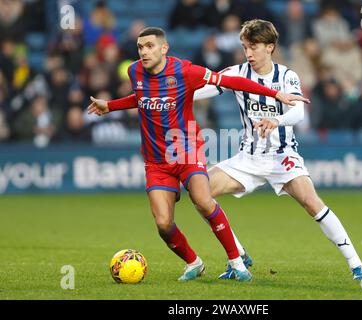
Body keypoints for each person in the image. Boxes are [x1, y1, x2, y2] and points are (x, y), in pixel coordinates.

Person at [87, 27, 309, 282]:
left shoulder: (185, 70)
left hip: (186, 150)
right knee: (163, 224)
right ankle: (194, 262)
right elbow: (142, 97)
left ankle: (236, 261)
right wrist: (111, 106)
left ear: (164, 48)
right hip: (157, 161)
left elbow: (231, 81)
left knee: (204, 200)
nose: (144, 52)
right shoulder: (134, 71)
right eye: (140, 47)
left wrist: (275, 93)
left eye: (149, 46)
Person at [192, 19, 362, 281]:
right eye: (245, 47)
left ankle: (357, 266)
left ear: (270, 47)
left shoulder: (287, 76)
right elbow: (200, 91)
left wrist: (277, 120)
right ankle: (238, 255)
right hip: (248, 158)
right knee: (200, 193)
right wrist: (167, 94)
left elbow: (298, 110)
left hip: (282, 156)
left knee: (313, 204)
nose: (249, 53)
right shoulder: (237, 73)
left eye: (254, 47)